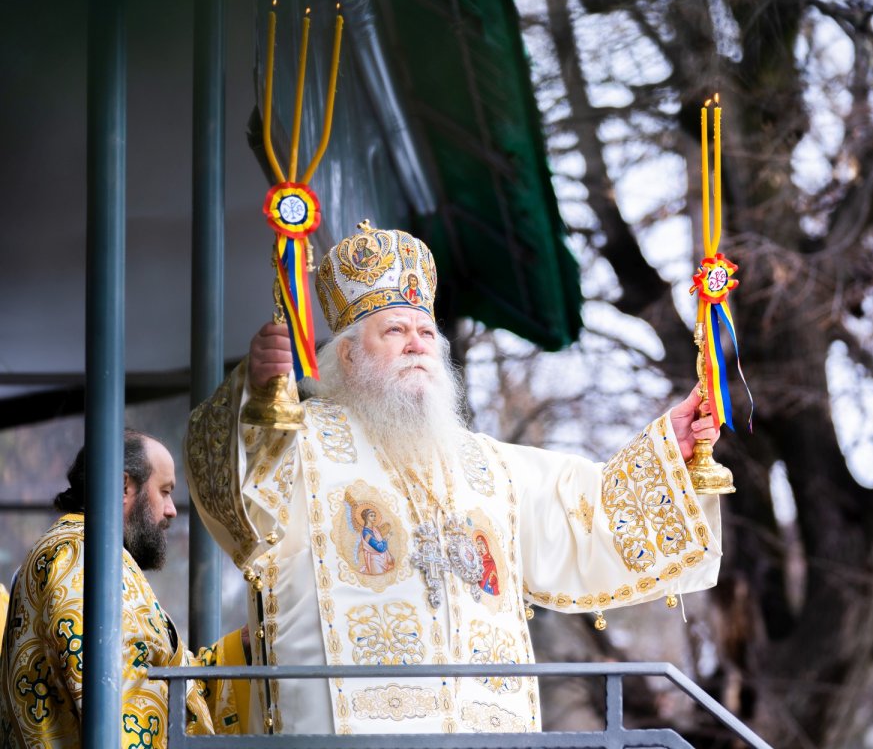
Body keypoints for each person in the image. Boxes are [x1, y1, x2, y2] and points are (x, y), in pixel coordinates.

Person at [185, 222, 724, 736]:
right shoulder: (298, 443)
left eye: (425, 330)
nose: (418, 343)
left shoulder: (487, 467)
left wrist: (668, 454)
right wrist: (254, 395)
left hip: (483, 732)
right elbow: (229, 477)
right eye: (394, 330)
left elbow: (589, 512)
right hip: (351, 734)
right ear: (347, 355)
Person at [0, 431, 240, 748]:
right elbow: (117, 700)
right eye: (164, 491)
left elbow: (150, 673)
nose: (172, 510)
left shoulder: (79, 550)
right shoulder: (83, 560)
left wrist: (243, 647)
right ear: (123, 487)